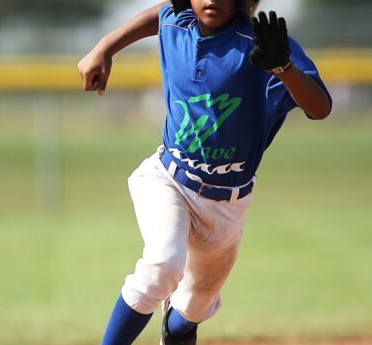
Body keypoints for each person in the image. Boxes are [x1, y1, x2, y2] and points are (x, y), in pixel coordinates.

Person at [77, 0, 332, 344]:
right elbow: (160, 14)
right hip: (167, 180)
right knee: (161, 267)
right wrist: (104, 47)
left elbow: (320, 107)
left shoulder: (259, 44)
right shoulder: (177, 26)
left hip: (227, 207)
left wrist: (284, 67)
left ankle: (175, 325)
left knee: (191, 314)